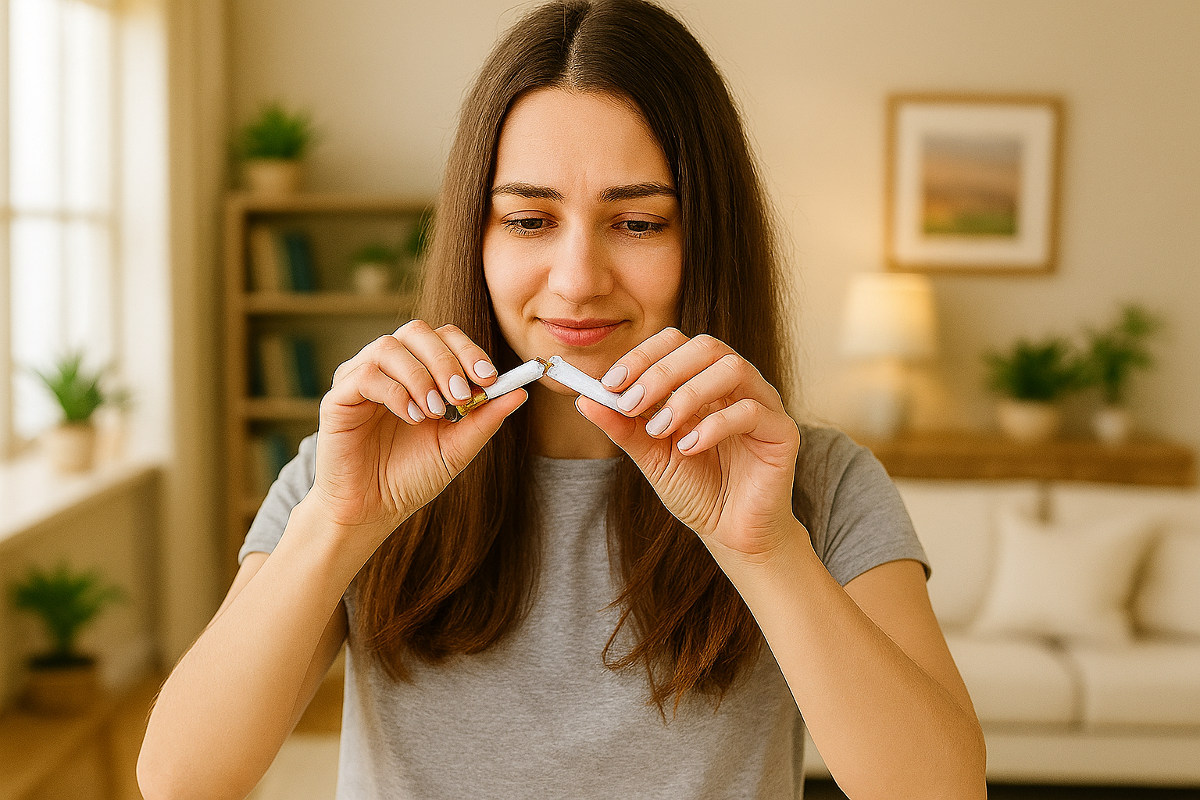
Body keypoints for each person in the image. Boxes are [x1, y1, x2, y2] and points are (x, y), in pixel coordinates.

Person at [138, 1, 986, 798]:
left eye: (640, 223)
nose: (576, 281)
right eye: (529, 221)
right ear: (477, 236)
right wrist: (338, 526)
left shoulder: (819, 483)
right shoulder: (348, 472)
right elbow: (178, 779)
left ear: (707, 240)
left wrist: (767, 553)